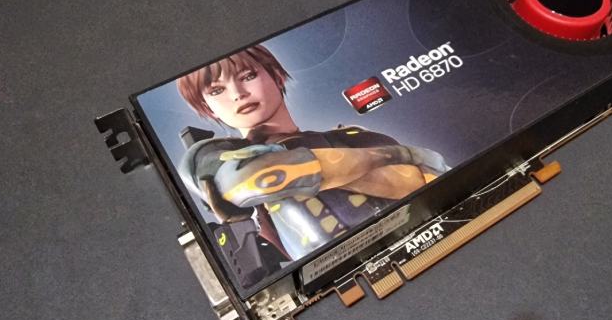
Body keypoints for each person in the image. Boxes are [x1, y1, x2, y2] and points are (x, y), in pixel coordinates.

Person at [176, 44, 446, 267]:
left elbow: (426, 181)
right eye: (217, 90)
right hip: (332, 272)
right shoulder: (211, 156)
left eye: (248, 76)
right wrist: (404, 155)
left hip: (408, 240)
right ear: (207, 108)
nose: (238, 94)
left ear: (276, 76)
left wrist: (309, 171)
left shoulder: (350, 136)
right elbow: (253, 178)